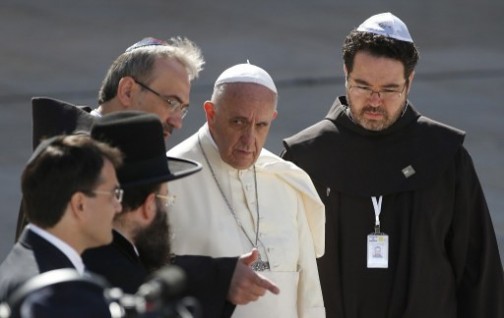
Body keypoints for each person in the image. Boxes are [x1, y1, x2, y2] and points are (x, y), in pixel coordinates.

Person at [15, 37, 280, 315]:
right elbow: (107, 266)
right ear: (128, 91)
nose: (178, 121)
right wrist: (217, 277)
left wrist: (219, 274)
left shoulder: (104, 154)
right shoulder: (75, 164)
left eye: (183, 109)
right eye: (171, 102)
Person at [281, 12, 504, 318]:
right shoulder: (306, 157)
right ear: (345, 73)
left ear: (409, 81)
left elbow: (478, 270)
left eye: (388, 90)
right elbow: (280, 267)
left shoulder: (445, 156)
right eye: (362, 86)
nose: (374, 101)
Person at [166, 63, 326, 317]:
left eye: (260, 125)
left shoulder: (284, 180)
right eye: (238, 122)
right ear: (211, 113)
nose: (249, 140)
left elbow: (309, 289)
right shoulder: (170, 178)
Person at [82, 111, 202, 293]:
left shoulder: (76, 253)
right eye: (166, 199)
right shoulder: (132, 285)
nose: (167, 210)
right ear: (149, 206)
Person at [0, 134, 123, 306]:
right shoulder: (58, 297)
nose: (118, 207)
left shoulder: (24, 264)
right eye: (114, 194)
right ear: (79, 204)